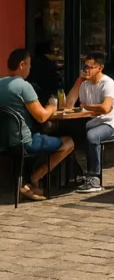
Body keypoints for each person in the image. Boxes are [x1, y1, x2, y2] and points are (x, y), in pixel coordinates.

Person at [0, 48, 75, 201]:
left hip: (4, 142)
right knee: (69, 142)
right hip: (24, 142)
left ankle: (26, 181)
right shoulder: (23, 86)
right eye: (29, 65)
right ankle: (34, 179)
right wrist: (52, 106)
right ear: (22, 65)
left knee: (42, 136)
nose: (30, 69)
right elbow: (41, 116)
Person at [65, 54, 114, 194]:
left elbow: (106, 108)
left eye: (89, 67)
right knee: (67, 133)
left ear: (100, 68)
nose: (86, 70)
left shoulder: (108, 84)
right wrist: (79, 80)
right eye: (84, 67)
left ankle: (94, 179)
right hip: (89, 122)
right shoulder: (84, 84)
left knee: (92, 136)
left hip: (107, 124)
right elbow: (69, 104)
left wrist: (87, 106)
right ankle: (76, 173)